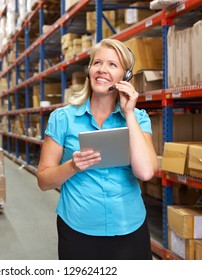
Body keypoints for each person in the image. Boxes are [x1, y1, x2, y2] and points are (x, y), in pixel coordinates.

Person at [36, 38, 158, 260]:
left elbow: (146, 172)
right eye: (97, 63)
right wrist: (72, 166)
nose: (102, 70)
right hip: (78, 228)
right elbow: (44, 180)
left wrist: (129, 113)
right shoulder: (62, 118)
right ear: (89, 69)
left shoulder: (138, 118)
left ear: (126, 76)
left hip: (129, 227)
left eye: (113, 65)